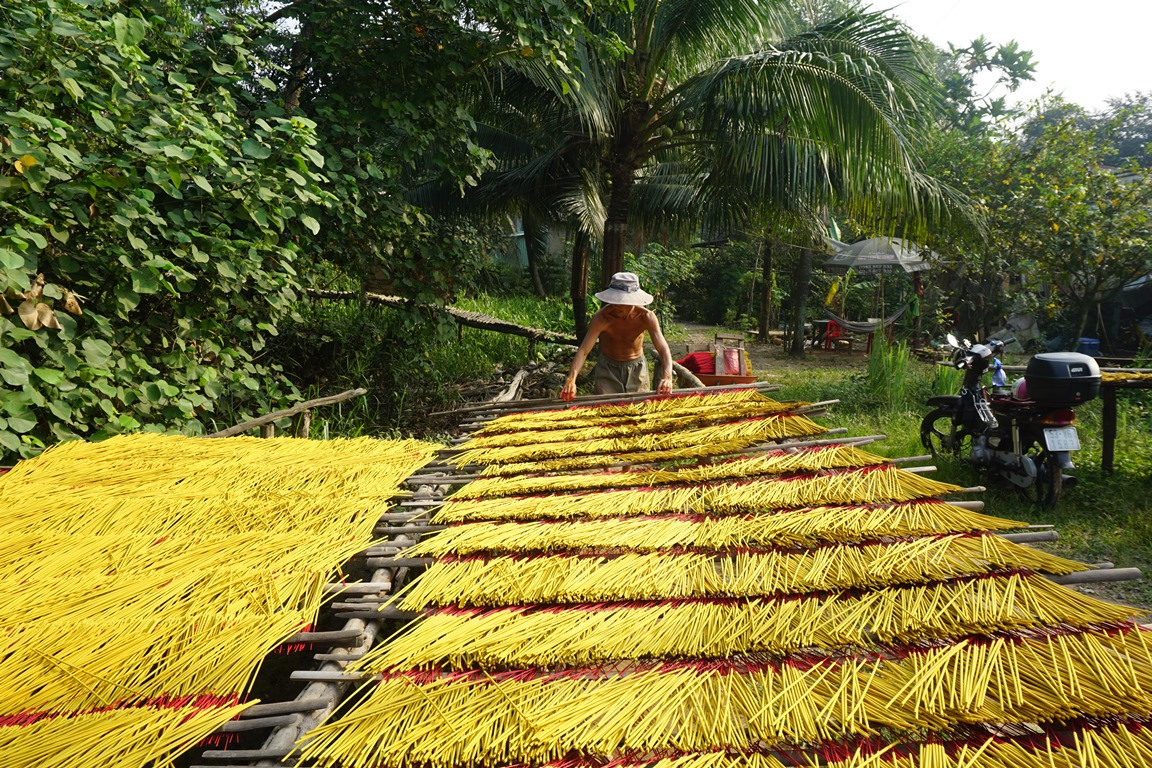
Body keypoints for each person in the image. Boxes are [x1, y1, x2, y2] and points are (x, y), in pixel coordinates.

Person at [560, 272, 675, 401]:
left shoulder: (646, 317)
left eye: (621, 301)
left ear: (633, 300)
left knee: (639, 408)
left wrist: (667, 377)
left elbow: (663, 349)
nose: (616, 306)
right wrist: (571, 378)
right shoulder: (602, 318)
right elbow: (583, 350)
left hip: (637, 368)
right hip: (608, 368)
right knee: (607, 409)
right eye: (614, 300)